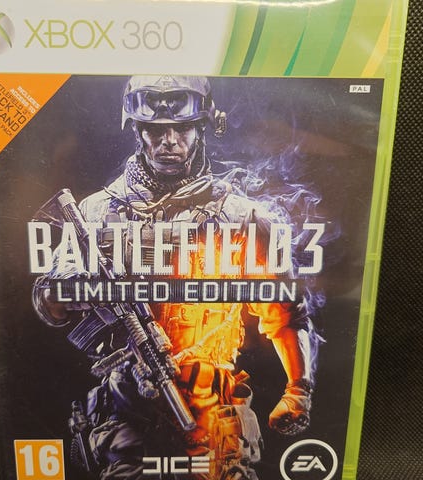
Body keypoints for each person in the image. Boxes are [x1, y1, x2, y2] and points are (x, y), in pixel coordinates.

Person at [33, 75, 316, 480]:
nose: (168, 141)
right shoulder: (96, 212)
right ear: (137, 130)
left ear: (204, 127)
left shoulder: (240, 216)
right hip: (126, 406)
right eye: (155, 130)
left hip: (212, 410)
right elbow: (49, 301)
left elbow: (286, 311)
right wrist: (78, 290)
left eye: (181, 129)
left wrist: (298, 390)